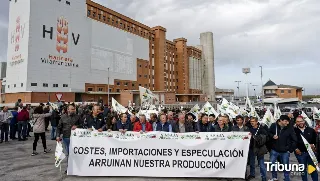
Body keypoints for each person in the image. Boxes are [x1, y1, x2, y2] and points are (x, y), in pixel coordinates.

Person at [268, 115, 297, 181]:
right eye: (285, 121)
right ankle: (274, 177)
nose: (287, 123)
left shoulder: (290, 128)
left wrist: (290, 150)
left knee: (285, 166)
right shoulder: (273, 125)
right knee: (272, 164)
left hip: (285, 152)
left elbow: (294, 139)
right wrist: (272, 136)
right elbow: (269, 133)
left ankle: (286, 178)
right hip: (274, 150)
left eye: (288, 121)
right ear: (280, 120)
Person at [56, 104, 83, 173]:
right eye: (72, 109)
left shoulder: (78, 117)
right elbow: (59, 127)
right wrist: (58, 136)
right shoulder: (63, 117)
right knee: (68, 154)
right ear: (68, 109)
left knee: (76, 153)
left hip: (76, 139)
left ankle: (78, 167)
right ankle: (69, 167)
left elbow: (82, 125)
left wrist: (77, 126)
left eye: (74, 109)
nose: (73, 110)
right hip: (66, 137)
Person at [294, 116, 318, 181]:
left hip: (311, 154)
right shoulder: (294, 131)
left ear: (304, 121)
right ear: (296, 123)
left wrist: (313, 146)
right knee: (303, 171)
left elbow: (316, 141)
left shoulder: (311, 130)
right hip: (300, 154)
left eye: (301, 121)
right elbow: (291, 142)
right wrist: (295, 148)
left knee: (312, 169)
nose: (300, 123)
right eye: (298, 122)